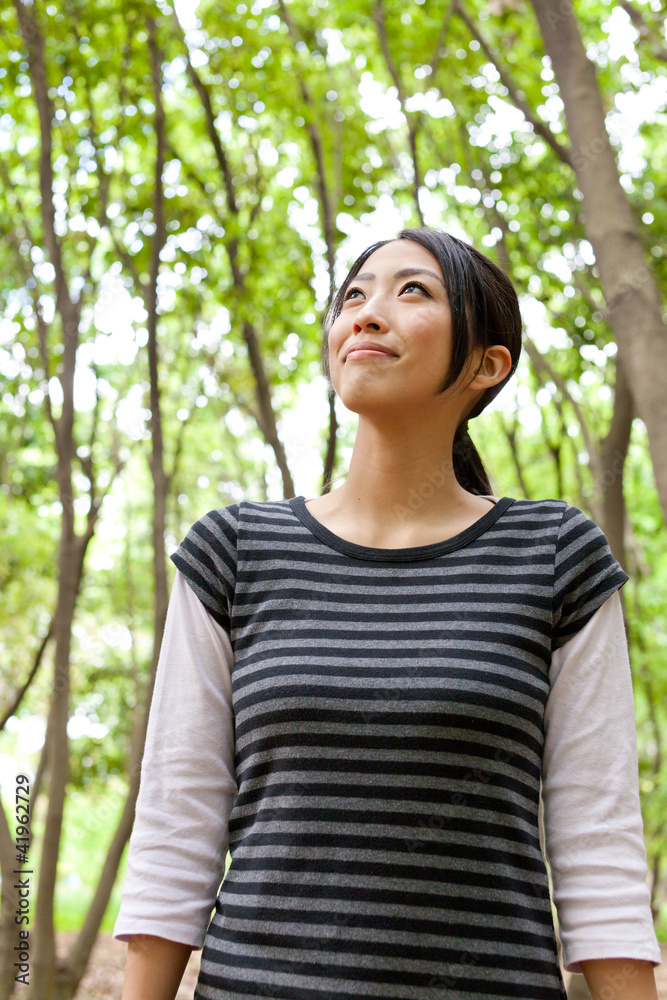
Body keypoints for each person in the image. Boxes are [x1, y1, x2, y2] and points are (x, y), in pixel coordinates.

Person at [114, 228, 661, 1000]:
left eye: (413, 291)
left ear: (485, 364)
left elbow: (596, 837)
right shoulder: (234, 551)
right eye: (353, 296)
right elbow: (179, 819)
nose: (368, 314)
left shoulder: (552, 556)